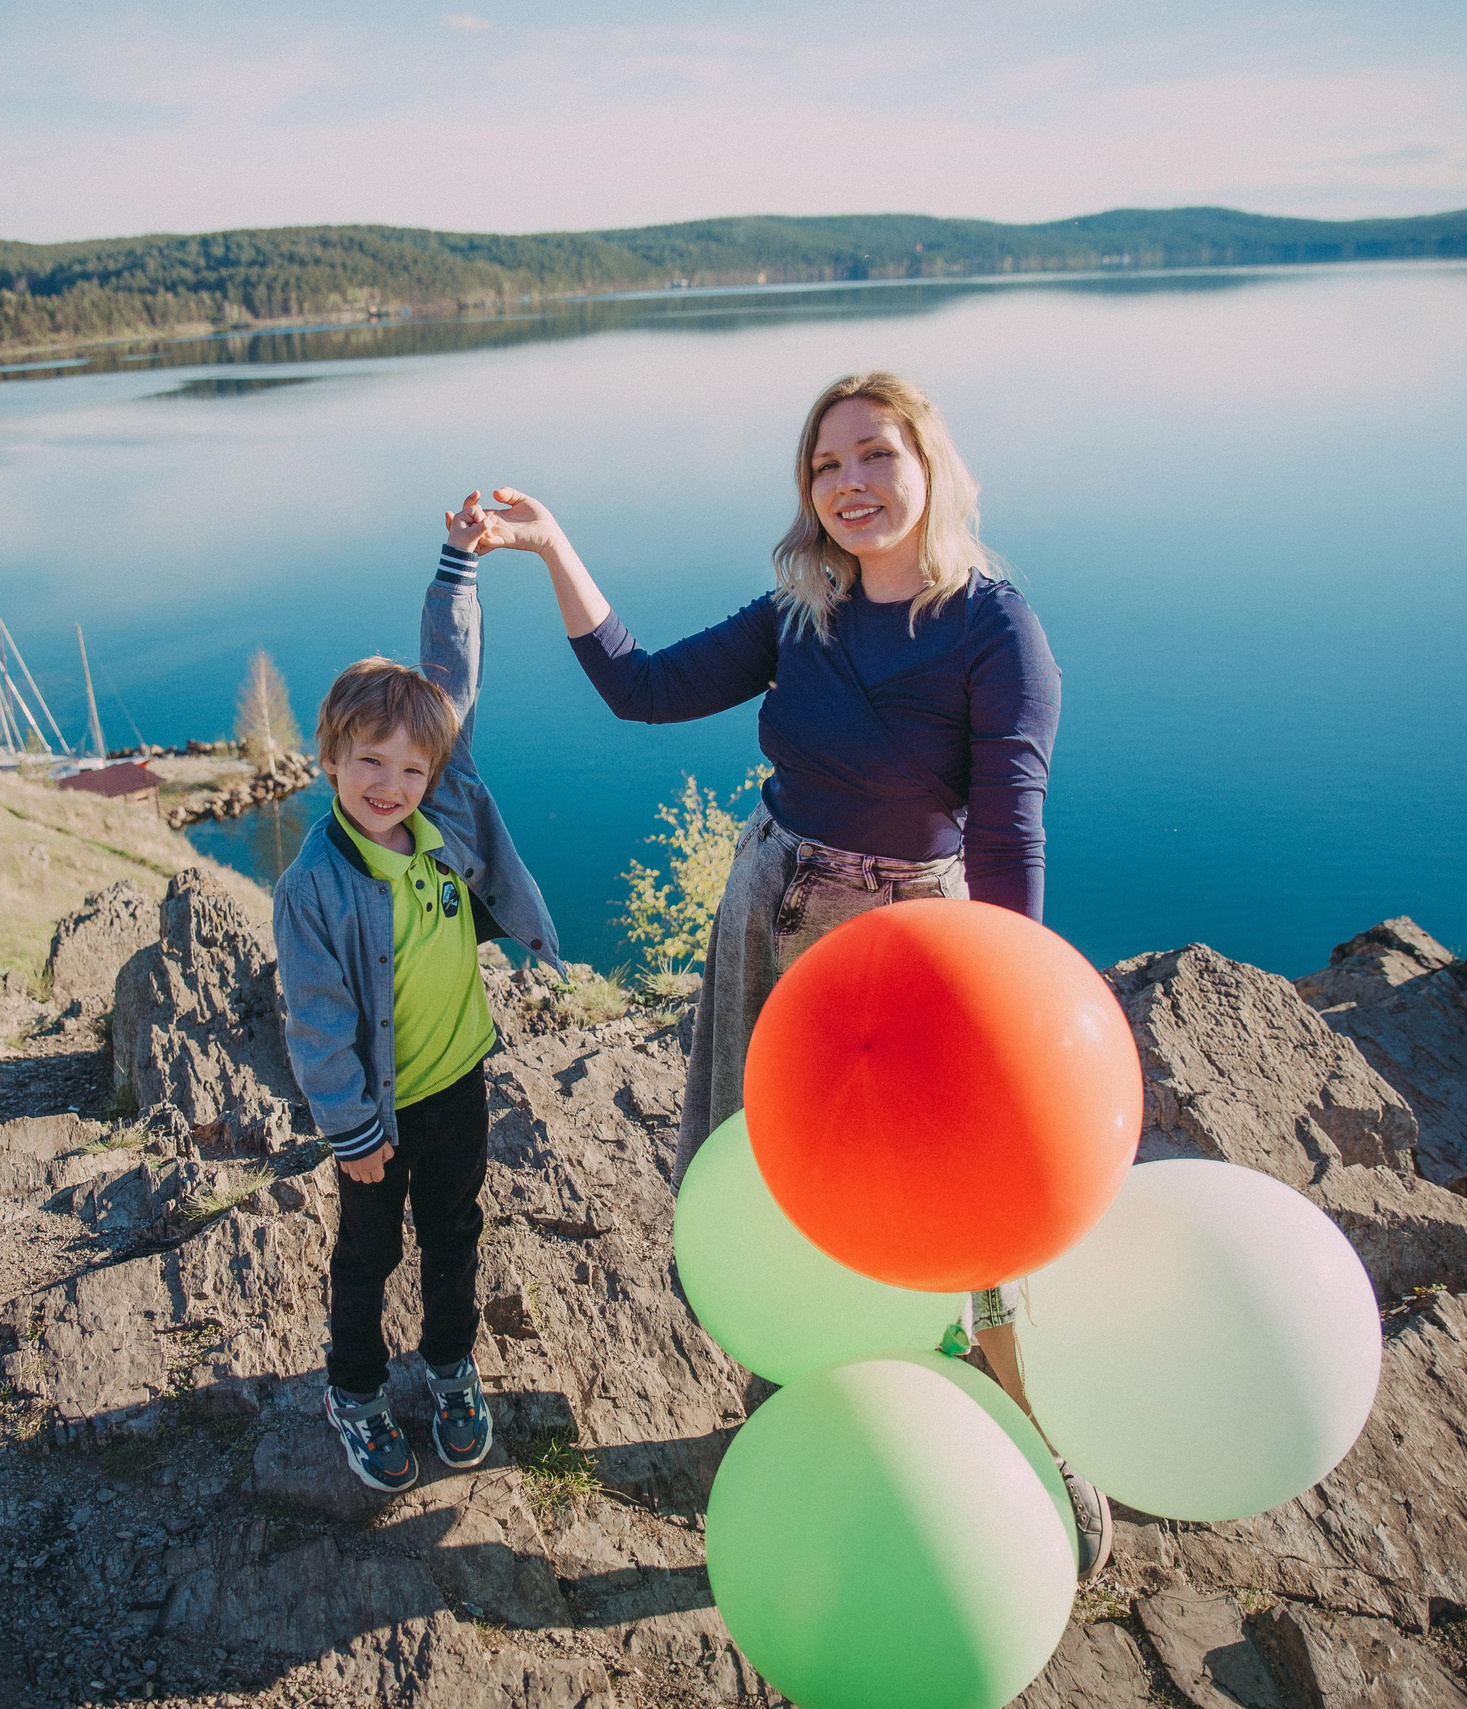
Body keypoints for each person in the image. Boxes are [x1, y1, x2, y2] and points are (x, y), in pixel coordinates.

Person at [467, 372, 1108, 1574]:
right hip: (772, 913)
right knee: (775, 1172)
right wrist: (549, 544)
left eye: (873, 455)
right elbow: (642, 688)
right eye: (825, 467)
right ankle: (804, 1393)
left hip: (911, 941)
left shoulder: (993, 626)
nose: (850, 484)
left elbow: (1012, 833)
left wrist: (1004, 1005)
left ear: (928, 464)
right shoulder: (798, 613)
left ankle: (1025, 1425)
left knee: (960, 1193)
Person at [272, 504, 563, 1494]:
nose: (391, 784)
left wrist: (460, 563)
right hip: (377, 1112)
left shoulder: (443, 806)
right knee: (366, 1254)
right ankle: (353, 1389)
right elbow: (314, 1022)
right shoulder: (313, 884)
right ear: (330, 758)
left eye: (409, 766)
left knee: (454, 1232)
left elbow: (451, 673)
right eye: (369, 763)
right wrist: (353, 1130)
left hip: (456, 1082)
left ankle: (447, 1367)